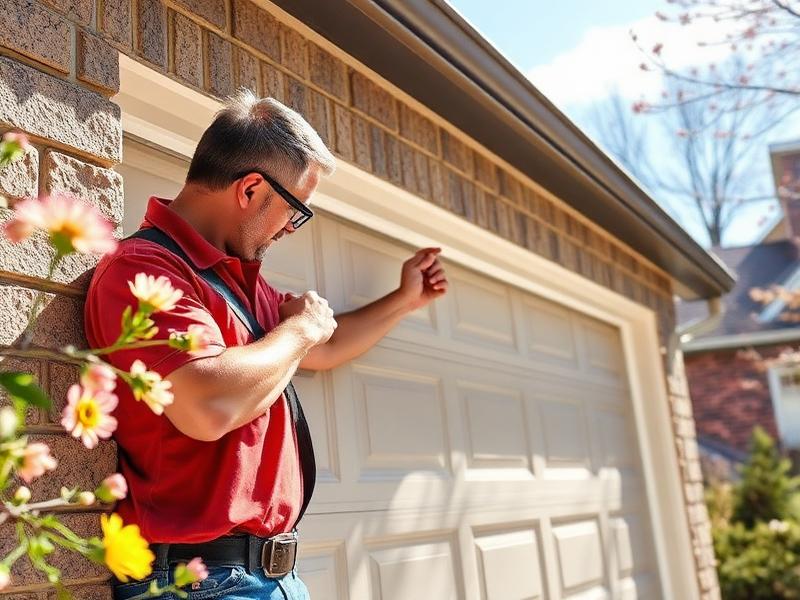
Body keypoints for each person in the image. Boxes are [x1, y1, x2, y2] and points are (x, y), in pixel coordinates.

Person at [84, 90, 449, 600]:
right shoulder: (144, 269)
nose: (291, 230)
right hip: (200, 581)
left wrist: (404, 300)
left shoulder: (239, 281)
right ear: (251, 189)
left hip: (268, 577)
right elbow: (208, 405)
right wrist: (299, 331)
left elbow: (323, 348)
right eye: (295, 210)